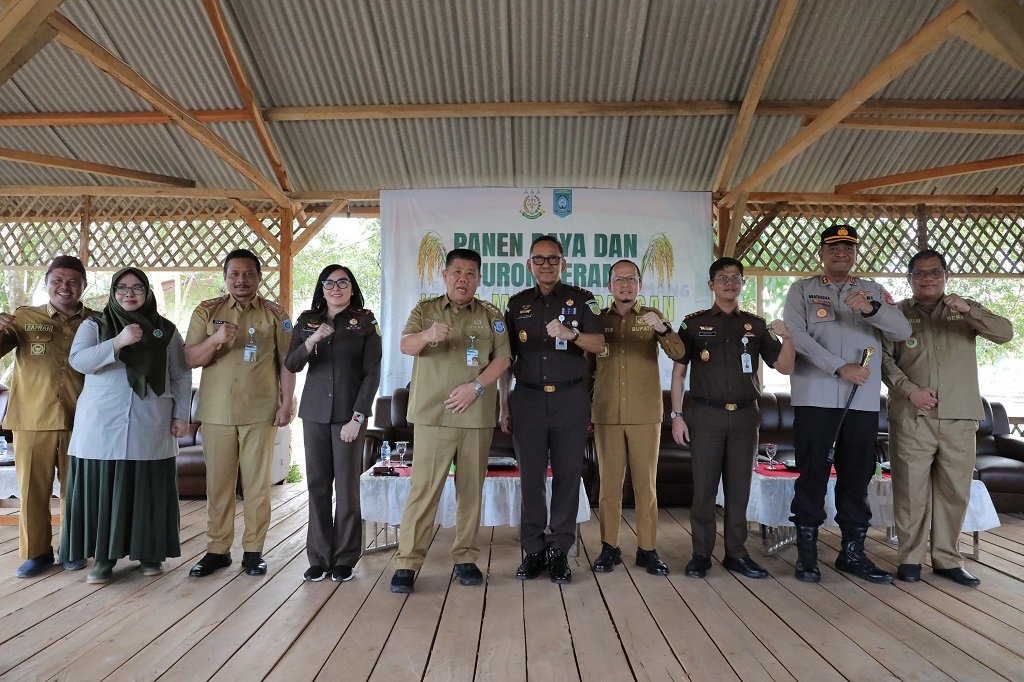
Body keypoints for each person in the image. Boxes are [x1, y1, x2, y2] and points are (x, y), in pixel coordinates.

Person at [783, 225, 911, 584]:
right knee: (812, 475)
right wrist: (839, 366)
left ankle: (852, 553)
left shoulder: (873, 290)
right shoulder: (802, 289)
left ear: (855, 253)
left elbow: (902, 331)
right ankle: (806, 555)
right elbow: (798, 337)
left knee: (856, 476)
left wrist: (872, 310)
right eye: (834, 247)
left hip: (862, 404)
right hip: (815, 397)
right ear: (821, 252)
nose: (842, 253)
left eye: (848, 248)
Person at [882, 249, 1012, 587]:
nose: (927, 278)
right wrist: (909, 390)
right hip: (913, 416)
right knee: (911, 491)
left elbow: (1005, 333)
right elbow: (883, 360)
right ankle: (909, 559)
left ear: (945, 276)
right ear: (908, 279)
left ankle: (947, 559)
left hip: (959, 416)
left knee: (955, 491)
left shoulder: (964, 310)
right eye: (920, 273)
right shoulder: (895, 316)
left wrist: (969, 310)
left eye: (934, 272)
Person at [388, 248, 510, 593]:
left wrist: (475, 387)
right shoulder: (424, 310)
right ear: (444, 276)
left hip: (475, 417)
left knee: (471, 492)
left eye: (470, 273)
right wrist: (428, 336)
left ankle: (466, 557)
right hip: (433, 417)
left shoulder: (491, 314)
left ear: (478, 279)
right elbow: (406, 346)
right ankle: (408, 562)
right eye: (457, 272)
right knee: (423, 491)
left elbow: (503, 360)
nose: (463, 279)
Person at [59, 268, 191, 583]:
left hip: (151, 422)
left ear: (147, 292)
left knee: (147, 489)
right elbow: (79, 361)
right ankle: (102, 560)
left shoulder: (166, 330)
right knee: (104, 491)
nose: (129, 294)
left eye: (137, 288)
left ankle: (150, 554)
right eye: (122, 288)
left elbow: (181, 374)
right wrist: (117, 342)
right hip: (101, 424)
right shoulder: (96, 325)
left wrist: (181, 414)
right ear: (113, 292)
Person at [671, 257, 795, 579]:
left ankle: (736, 554)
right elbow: (679, 371)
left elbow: (783, 367)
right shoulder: (693, 324)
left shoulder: (755, 324)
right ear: (711, 285)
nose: (730, 282)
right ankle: (701, 554)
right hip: (705, 415)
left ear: (741, 284)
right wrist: (676, 415)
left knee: (739, 489)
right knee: (704, 490)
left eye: (735, 277)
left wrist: (790, 337)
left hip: (744, 416)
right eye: (722, 278)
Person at [184, 248, 295, 578]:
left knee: (257, 486)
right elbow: (191, 358)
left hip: (260, 412)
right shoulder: (208, 311)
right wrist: (216, 339)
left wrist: (287, 403)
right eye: (235, 274)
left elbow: (288, 363)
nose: (241, 280)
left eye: (248, 274)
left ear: (259, 278)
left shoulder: (276, 314)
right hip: (217, 413)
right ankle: (217, 550)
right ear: (225, 277)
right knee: (218, 485)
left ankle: (253, 552)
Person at [500, 235, 604, 584]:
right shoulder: (516, 305)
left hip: (569, 400)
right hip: (526, 399)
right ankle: (533, 550)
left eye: (552, 258)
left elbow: (600, 344)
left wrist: (571, 334)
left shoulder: (583, 301)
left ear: (564, 263)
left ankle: (559, 548)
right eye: (539, 259)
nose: (546, 264)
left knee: (567, 474)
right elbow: (505, 359)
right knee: (530, 477)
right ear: (529, 265)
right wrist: (504, 404)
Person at [0, 255, 97, 578]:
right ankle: (36, 553)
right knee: (32, 492)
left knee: (77, 492)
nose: (64, 287)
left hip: (80, 422)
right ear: (47, 283)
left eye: (72, 281)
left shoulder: (98, 322)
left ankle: (74, 549)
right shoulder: (24, 318)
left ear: (84, 285)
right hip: (31, 419)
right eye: (57, 280)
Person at [286, 265, 381, 583]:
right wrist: (312, 340)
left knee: (347, 487)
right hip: (313, 414)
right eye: (329, 283)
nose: (336, 288)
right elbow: (292, 363)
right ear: (321, 287)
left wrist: (358, 418)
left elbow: (372, 373)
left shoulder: (365, 320)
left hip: (348, 417)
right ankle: (319, 557)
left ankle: (345, 557)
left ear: (351, 288)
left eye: (343, 282)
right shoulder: (306, 321)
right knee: (317, 486)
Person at [591, 259, 684, 576]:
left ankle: (647, 549)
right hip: (607, 413)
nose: (626, 285)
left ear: (640, 285)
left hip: (645, 414)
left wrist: (664, 329)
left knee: (646, 486)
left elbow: (679, 353)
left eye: (631, 279)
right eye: (619, 279)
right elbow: (588, 367)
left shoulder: (652, 317)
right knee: (609, 488)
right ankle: (609, 547)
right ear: (610, 286)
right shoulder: (598, 320)